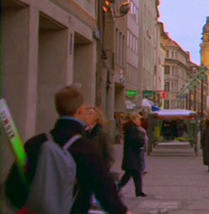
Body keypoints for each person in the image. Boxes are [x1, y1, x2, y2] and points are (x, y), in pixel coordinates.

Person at [5, 86, 131, 214]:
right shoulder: (85, 149)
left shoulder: (34, 144)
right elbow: (105, 190)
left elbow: (13, 188)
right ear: (80, 110)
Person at [117, 113, 147, 197]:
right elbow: (135, 140)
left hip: (133, 155)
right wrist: (142, 141)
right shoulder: (131, 129)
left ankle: (139, 191)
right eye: (138, 119)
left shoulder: (133, 128)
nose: (140, 121)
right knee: (129, 174)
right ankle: (117, 188)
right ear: (134, 120)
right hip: (131, 155)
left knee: (136, 173)